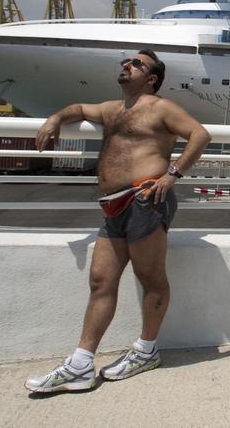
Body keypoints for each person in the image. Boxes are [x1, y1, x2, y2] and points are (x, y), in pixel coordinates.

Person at [24, 49, 211, 393]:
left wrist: (171, 175)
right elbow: (78, 109)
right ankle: (80, 365)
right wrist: (54, 118)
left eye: (137, 64)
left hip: (146, 201)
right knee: (100, 281)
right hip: (112, 206)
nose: (127, 65)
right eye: (126, 62)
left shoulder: (161, 108)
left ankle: (146, 350)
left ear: (151, 78)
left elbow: (200, 135)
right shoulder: (112, 109)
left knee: (150, 278)